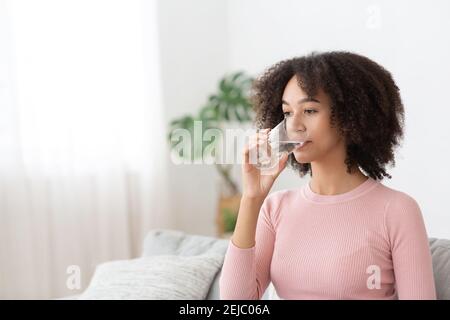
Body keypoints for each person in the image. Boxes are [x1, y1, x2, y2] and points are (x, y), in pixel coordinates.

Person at [219, 51, 436, 300]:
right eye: (288, 113)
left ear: (349, 115)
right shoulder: (275, 208)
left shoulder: (398, 210)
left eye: (310, 110)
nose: (294, 125)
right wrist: (251, 198)